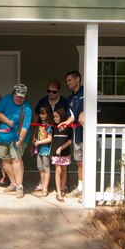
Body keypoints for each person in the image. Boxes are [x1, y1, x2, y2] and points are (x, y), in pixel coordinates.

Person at [0, 83, 32, 199]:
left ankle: (19, 186)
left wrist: (20, 140)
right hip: (3, 136)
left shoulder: (27, 108)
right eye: (17, 96)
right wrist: (7, 121)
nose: (19, 98)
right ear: (13, 94)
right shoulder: (6, 99)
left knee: (16, 160)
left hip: (18, 138)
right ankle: (13, 183)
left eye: (22, 97)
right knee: (5, 160)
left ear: (25, 97)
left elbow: (26, 126)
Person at [60, 70, 85, 198]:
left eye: (70, 80)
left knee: (88, 162)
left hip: (88, 135)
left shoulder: (87, 94)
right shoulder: (70, 99)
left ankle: (87, 189)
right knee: (79, 162)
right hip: (77, 135)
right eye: (67, 81)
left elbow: (96, 110)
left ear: (77, 79)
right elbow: (72, 117)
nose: (68, 83)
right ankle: (80, 188)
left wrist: (85, 113)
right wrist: (65, 123)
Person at [50, 108, 73, 202]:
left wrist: (61, 148)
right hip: (55, 152)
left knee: (64, 170)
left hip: (65, 152)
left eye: (57, 116)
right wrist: (52, 151)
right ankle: (58, 192)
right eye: (54, 117)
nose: (55, 119)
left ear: (62, 116)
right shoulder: (53, 127)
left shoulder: (69, 127)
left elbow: (69, 141)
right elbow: (52, 140)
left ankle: (63, 188)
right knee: (58, 170)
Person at [31, 105, 53, 197]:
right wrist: (34, 139)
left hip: (46, 149)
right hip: (39, 149)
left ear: (48, 114)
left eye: (43, 114)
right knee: (40, 168)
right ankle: (43, 185)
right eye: (40, 113)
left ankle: (45, 188)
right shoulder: (39, 124)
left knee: (46, 168)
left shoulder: (48, 125)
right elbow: (36, 136)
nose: (41, 115)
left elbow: (50, 139)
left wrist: (39, 142)